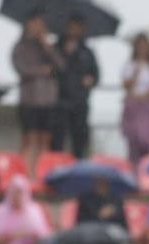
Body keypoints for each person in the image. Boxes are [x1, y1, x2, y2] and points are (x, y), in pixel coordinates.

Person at [12, 14, 62, 177]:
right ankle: (24, 172)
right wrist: (41, 71)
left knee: (45, 139)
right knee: (29, 139)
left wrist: (47, 46)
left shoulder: (49, 47)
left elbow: (61, 66)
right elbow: (21, 68)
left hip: (48, 100)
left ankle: (41, 173)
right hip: (29, 99)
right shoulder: (20, 47)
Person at [51, 16, 99, 159]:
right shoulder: (56, 48)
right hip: (59, 100)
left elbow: (95, 74)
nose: (74, 30)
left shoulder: (87, 52)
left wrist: (91, 79)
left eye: (78, 27)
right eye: (71, 27)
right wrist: (65, 54)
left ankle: (78, 168)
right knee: (57, 140)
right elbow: (53, 71)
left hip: (80, 100)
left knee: (80, 139)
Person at [119, 33, 149, 168]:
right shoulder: (130, 66)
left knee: (147, 141)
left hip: (148, 108)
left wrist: (146, 96)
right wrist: (135, 74)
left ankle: (146, 172)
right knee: (133, 143)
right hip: (133, 108)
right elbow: (126, 86)